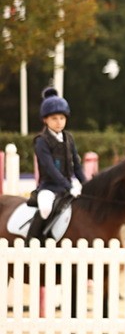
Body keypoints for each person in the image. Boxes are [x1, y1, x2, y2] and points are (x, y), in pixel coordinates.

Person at [27, 87, 87, 242]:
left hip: (68, 186)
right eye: (54, 118)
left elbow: (77, 165)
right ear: (45, 120)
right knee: (46, 209)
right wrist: (69, 186)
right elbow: (50, 169)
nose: (59, 122)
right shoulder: (41, 141)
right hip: (49, 188)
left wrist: (86, 184)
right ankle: (31, 241)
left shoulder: (69, 138)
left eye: (62, 118)